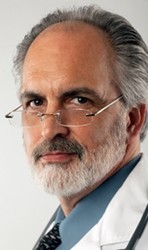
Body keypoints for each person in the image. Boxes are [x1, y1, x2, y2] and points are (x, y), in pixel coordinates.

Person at [5, 5, 148, 250]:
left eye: (79, 100)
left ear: (132, 119)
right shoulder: (60, 233)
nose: (49, 129)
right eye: (36, 102)